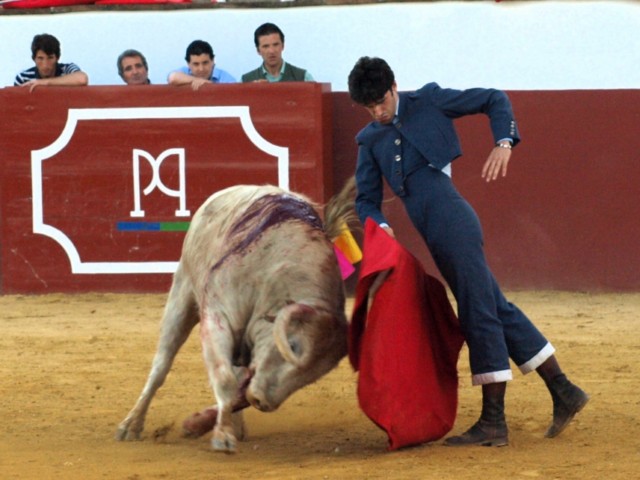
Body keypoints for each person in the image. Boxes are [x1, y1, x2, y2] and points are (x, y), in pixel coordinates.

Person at [348, 56, 589, 447]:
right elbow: (366, 200)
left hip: (453, 221)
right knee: (494, 306)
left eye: (381, 101)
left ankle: (494, 421)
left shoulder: (429, 101)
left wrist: (504, 142)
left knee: (478, 310)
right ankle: (563, 390)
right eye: (368, 106)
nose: (377, 112)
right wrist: (381, 223)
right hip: (437, 233)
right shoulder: (369, 140)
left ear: (394, 87)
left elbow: (494, 98)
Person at [241, 23, 313, 83]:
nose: (271, 51)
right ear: (258, 50)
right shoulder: (245, 81)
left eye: (275, 45)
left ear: (283, 46)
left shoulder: (303, 77)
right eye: (266, 46)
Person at [14, 33, 88, 92]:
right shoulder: (23, 78)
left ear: (57, 58)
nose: (45, 64)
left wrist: (45, 82)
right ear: (34, 59)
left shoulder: (67, 69)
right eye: (40, 58)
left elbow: (82, 79)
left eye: (50, 58)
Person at [168, 40, 236, 90]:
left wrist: (209, 85)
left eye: (205, 63)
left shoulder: (226, 79)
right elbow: (172, 78)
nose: (201, 69)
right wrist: (198, 80)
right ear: (188, 64)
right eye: (196, 64)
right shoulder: (184, 72)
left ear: (213, 60)